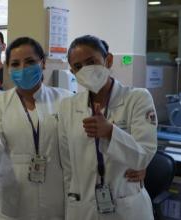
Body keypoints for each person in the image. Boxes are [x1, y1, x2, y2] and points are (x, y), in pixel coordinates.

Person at [58, 35, 156, 220]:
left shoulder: (137, 98)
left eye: (91, 62)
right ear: (72, 72)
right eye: (78, 67)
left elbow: (143, 156)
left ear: (108, 60)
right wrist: (71, 204)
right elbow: (67, 166)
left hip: (126, 207)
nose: (85, 70)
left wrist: (111, 132)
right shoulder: (68, 106)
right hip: (83, 208)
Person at [0, 37, 72, 220]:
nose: (22, 68)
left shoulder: (65, 100)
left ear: (43, 63)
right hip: (13, 196)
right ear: (8, 68)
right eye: (15, 63)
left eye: (30, 61)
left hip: (54, 193)